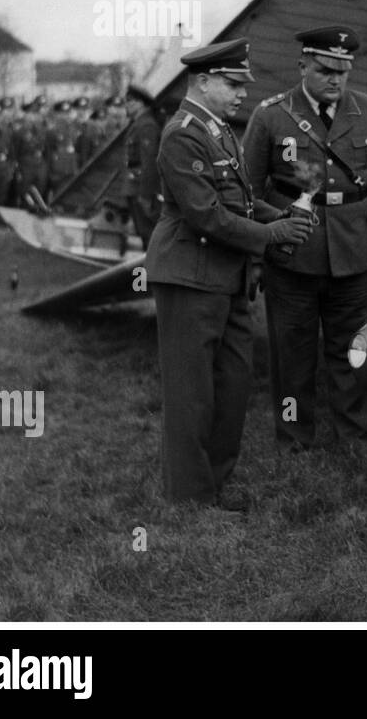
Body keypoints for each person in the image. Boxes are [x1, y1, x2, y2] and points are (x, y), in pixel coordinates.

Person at [146, 38, 312, 507]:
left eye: (243, 85)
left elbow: (237, 201)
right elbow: (206, 215)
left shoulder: (218, 129)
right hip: (190, 276)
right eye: (233, 84)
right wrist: (271, 237)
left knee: (232, 387)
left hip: (226, 278)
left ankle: (214, 486)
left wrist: (276, 216)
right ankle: (190, 499)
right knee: (191, 393)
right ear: (203, 82)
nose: (243, 93)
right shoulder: (182, 133)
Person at [243, 26, 367, 450]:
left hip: (354, 254)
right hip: (292, 256)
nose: (335, 79)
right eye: (325, 70)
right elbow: (244, 193)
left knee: (352, 350)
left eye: (343, 71)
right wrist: (272, 233)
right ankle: (294, 440)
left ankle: (355, 437)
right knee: (291, 355)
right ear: (303, 67)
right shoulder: (271, 115)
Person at [122, 84, 162, 247]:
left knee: (149, 237)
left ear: (141, 103)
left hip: (142, 191)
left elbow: (149, 164)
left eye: (130, 101)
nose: (126, 105)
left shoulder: (146, 126)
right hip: (135, 188)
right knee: (144, 235)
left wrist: (145, 196)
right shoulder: (138, 124)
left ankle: (151, 272)